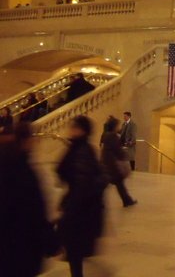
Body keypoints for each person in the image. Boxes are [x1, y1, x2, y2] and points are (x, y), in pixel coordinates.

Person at [0, 122, 58, 277]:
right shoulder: (21, 168)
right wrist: (50, 241)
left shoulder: (14, 163)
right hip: (21, 246)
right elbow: (34, 210)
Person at [56, 116, 106, 277]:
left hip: (80, 211)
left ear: (82, 130)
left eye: (74, 127)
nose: (70, 130)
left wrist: (69, 209)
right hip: (80, 209)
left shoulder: (81, 151)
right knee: (74, 252)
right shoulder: (78, 148)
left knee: (74, 250)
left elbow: (82, 184)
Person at [101, 116, 137, 207]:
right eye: (118, 125)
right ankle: (127, 200)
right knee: (115, 183)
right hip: (112, 165)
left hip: (107, 163)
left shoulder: (107, 135)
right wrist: (123, 155)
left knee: (117, 183)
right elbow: (118, 151)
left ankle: (127, 200)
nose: (119, 127)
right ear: (114, 126)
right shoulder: (113, 136)